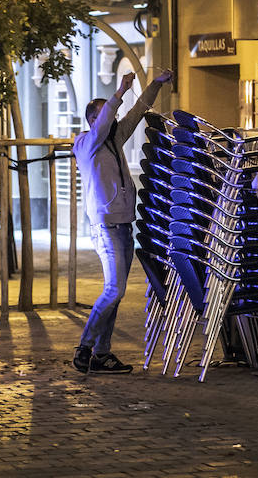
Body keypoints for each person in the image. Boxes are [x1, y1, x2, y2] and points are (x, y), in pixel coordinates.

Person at [72, 67, 174, 374]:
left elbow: (138, 112)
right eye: (105, 115)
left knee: (114, 292)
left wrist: (154, 85)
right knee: (114, 290)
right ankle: (85, 348)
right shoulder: (85, 144)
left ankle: (101, 355)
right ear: (92, 120)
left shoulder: (114, 140)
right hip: (106, 227)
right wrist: (119, 92)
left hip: (124, 226)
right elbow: (107, 120)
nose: (113, 119)